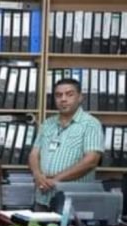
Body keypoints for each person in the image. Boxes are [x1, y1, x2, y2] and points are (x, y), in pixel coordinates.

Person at [28, 78, 104, 210]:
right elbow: (34, 154)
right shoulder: (47, 124)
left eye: (69, 94)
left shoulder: (91, 124)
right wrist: (37, 175)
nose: (63, 99)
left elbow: (91, 161)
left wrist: (56, 180)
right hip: (43, 196)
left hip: (72, 200)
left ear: (80, 97)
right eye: (58, 95)